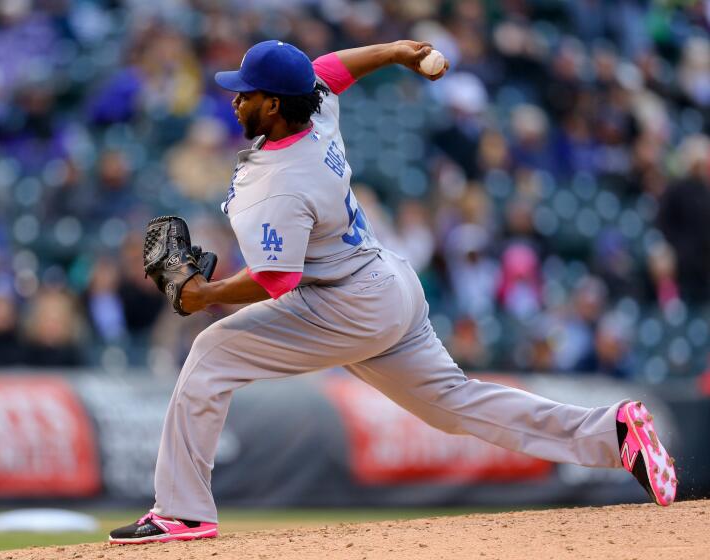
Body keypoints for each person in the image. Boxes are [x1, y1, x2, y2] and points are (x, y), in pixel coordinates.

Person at [109, 40, 676, 545]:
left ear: (275, 104)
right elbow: (327, 69)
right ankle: (613, 432)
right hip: (387, 285)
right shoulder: (316, 111)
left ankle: (181, 513)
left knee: (210, 353)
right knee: (454, 406)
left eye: (246, 94)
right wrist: (399, 50)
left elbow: (275, 281)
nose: (234, 101)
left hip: (344, 303)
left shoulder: (276, 185)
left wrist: (201, 295)